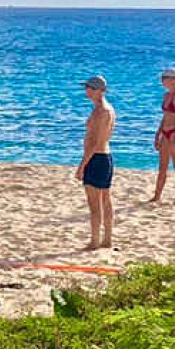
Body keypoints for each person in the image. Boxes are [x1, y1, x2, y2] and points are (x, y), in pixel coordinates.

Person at [76, 75, 116, 250]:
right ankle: (106, 239)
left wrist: (82, 165)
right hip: (103, 158)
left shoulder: (102, 111)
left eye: (90, 88)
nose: (87, 90)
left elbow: (96, 142)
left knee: (95, 204)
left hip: (97, 158)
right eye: (87, 87)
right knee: (105, 199)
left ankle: (95, 241)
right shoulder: (104, 109)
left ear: (99, 91)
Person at [152, 67, 175, 204]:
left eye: (165, 78)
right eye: (162, 78)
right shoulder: (166, 96)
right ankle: (157, 196)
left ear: (174, 80)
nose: (163, 81)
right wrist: (158, 133)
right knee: (162, 167)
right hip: (165, 133)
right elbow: (165, 116)